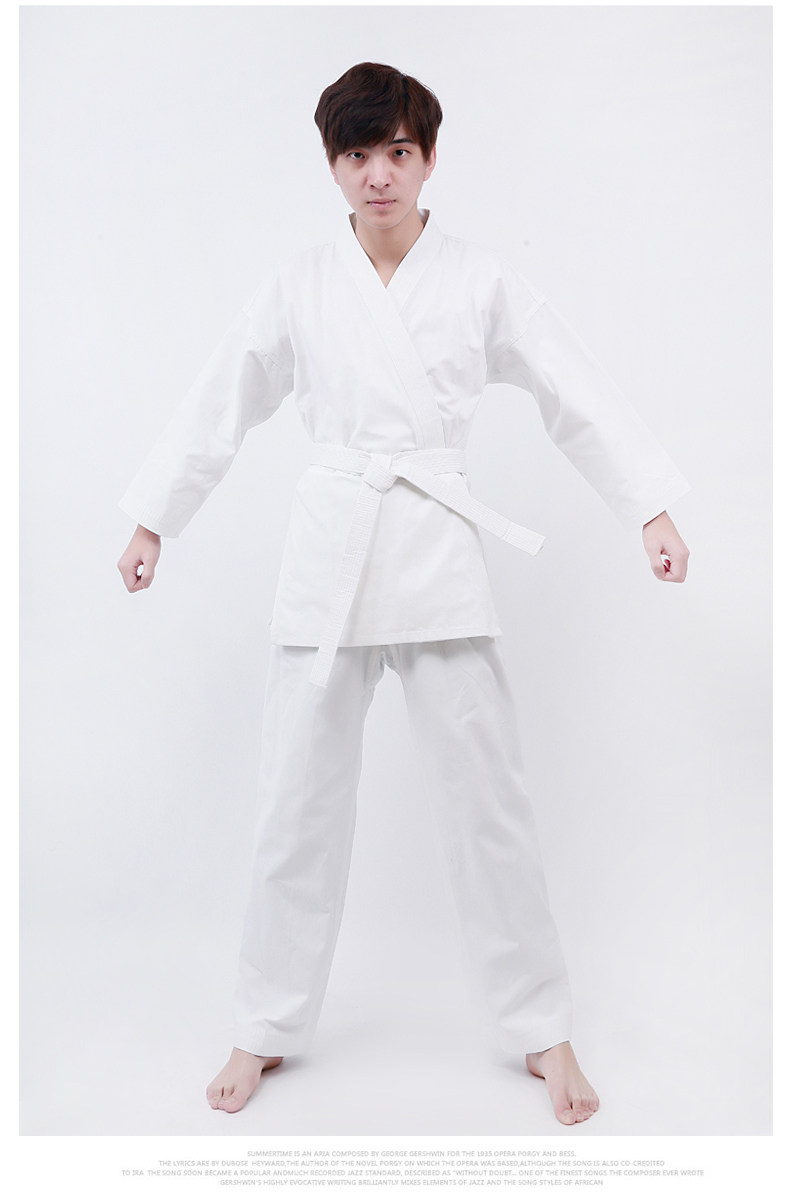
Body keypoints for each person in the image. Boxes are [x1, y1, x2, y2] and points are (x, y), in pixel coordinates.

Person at [116, 62, 690, 1126]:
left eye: (397, 152)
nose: (378, 174)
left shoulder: (479, 280)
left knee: (489, 805)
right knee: (295, 801)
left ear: (428, 159)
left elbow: (571, 385)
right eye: (357, 154)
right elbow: (220, 398)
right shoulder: (299, 284)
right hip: (330, 550)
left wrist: (647, 505)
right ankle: (264, 1018)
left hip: (435, 548)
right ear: (331, 166)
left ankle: (542, 1024)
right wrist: (156, 516)